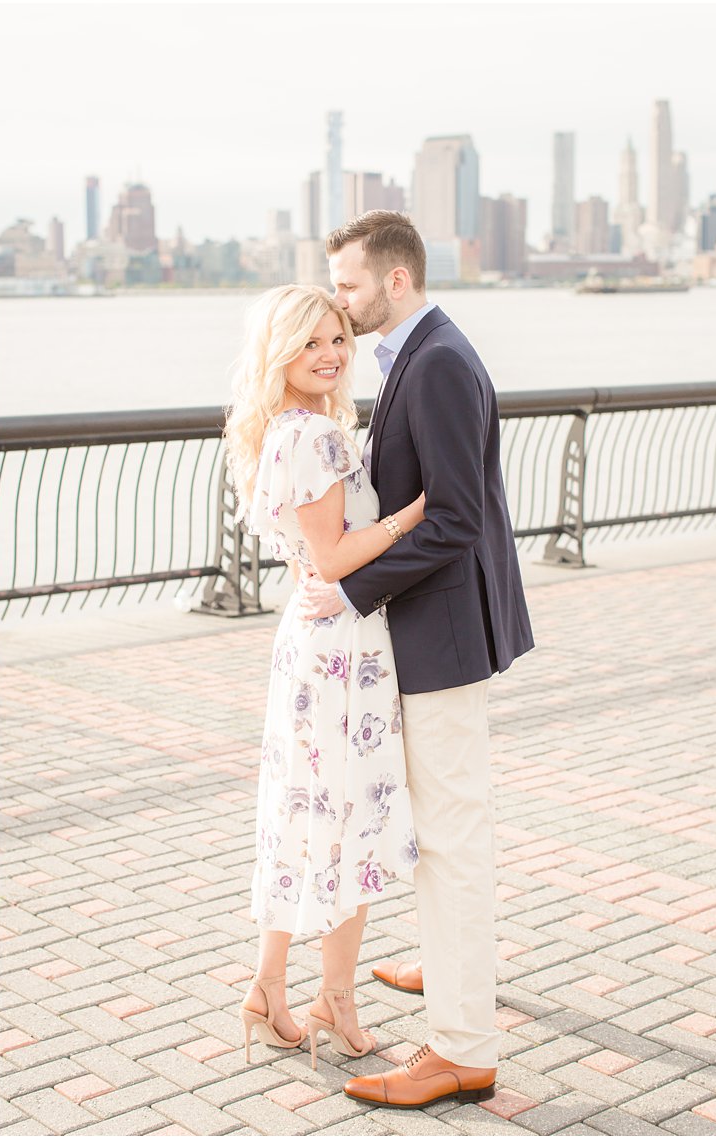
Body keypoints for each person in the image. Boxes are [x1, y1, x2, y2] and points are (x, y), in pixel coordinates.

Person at [295, 210, 535, 1109]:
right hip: (438, 626)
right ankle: (449, 971)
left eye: (350, 287)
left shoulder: (434, 362)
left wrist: (352, 588)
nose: (341, 302)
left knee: (453, 838)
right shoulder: (428, 350)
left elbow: (456, 517)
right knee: (447, 831)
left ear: (396, 280)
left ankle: (463, 1047)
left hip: (441, 633)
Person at [223, 284, 424, 1071]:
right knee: (351, 821)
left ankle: (272, 987)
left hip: (315, 645)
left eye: (337, 338)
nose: (332, 354)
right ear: (282, 354)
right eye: (311, 344)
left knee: (305, 816)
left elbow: (320, 554)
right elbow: (335, 558)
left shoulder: (288, 430)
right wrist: (414, 513)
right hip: (342, 649)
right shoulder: (317, 437)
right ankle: (330, 999)